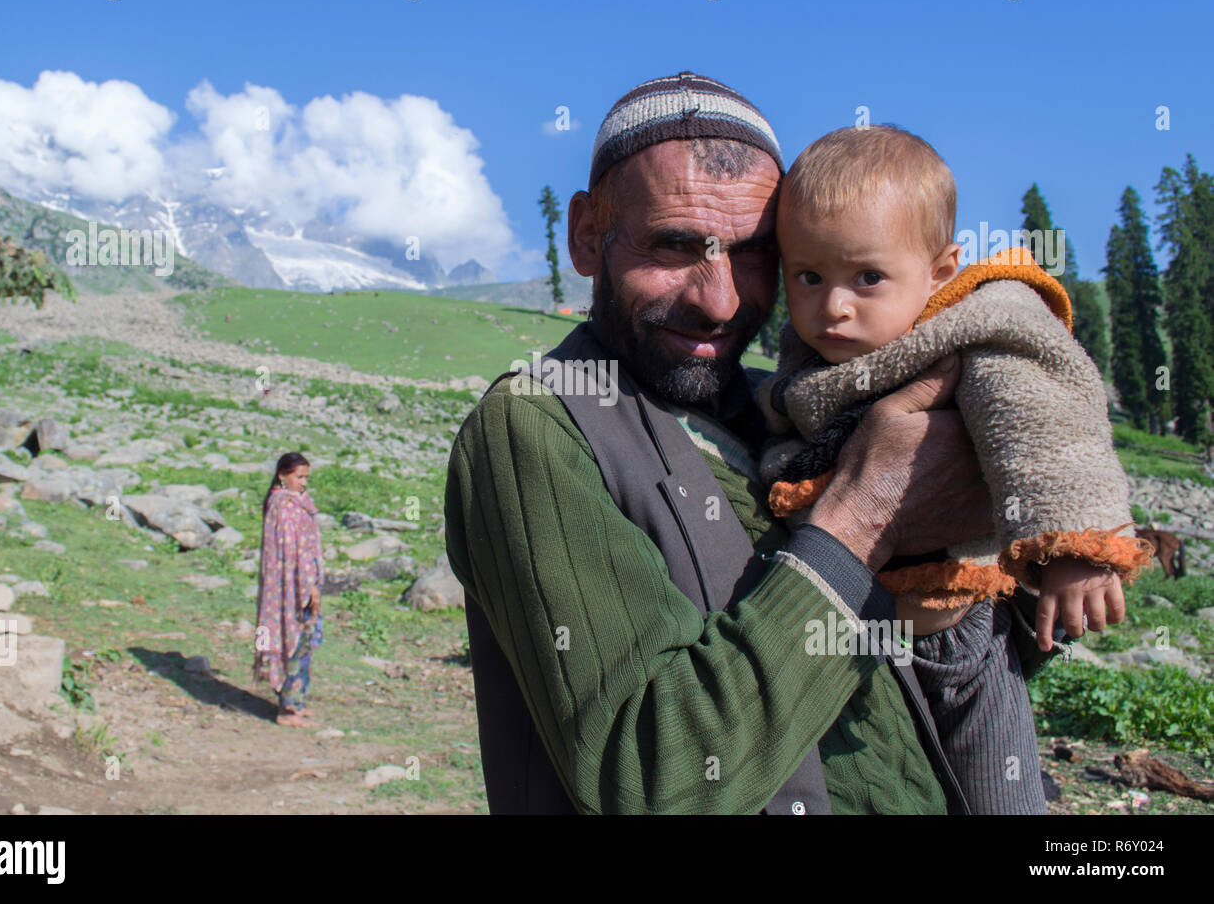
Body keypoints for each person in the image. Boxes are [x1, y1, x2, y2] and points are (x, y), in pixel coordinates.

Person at [445, 72, 1027, 814]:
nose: (719, 301)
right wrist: (863, 517)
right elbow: (652, 780)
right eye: (675, 246)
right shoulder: (536, 426)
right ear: (588, 235)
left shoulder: (791, 410)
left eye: (751, 253)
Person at [756, 124, 1152, 812]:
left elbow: (1044, 417)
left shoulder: (976, 332)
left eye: (868, 277)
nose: (834, 305)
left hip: (963, 637)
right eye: (809, 277)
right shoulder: (820, 360)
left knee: (1002, 797)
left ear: (940, 271)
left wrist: (1076, 540)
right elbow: (801, 423)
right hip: (855, 635)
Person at [253, 452, 324, 728]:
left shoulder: (296, 503)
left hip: (299, 584)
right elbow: (294, 554)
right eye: (299, 477)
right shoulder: (283, 507)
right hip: (290, 589)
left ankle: (297, 702)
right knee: (291, 641)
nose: (304, 483)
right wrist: (310, 589)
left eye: (306, 477)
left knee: (303, 644)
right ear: (283, 476)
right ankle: (287, 709)